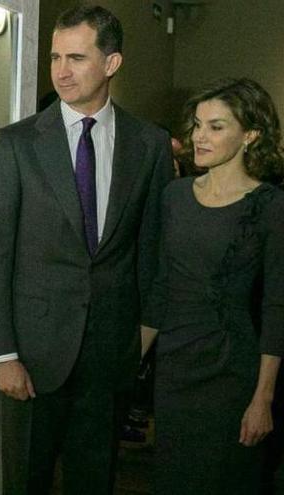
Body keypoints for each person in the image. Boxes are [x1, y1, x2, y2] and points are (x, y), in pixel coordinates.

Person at [0, 5, 173, 493]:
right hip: (32, 360)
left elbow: (153, 254)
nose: (61, 71)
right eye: (55, 57)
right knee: (26, 480)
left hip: (109, 360)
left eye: (77, 57)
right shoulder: (16, 144)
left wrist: (139, 343)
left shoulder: (149, 146)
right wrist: (3, 354)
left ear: (111, 63)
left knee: (95, 481)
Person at [142, 78, 284, 494]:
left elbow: (278, 305)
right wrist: (129, 359)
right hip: (174, 371)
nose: (199, 136)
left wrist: (263, 399)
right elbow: (161, 288)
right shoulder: (175, 196)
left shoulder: (271, 206)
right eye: (197, 125)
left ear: (250, 135)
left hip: (232, 374)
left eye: (216, 126)